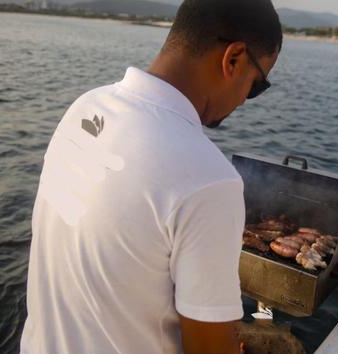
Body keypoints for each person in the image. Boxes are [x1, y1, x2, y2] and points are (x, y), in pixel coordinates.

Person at [20, 0, 282, 353]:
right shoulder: (210, 179)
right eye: (256, 85)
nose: (246, 101)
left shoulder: (86, 106)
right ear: (233, 59)